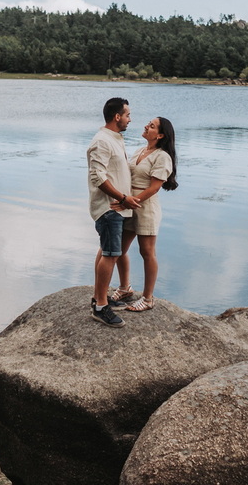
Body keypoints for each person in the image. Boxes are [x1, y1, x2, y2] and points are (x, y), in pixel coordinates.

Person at [110, 116, 178, 312]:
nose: (146, 126)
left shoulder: (162, 156)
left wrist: (128, 202)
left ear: (160, 134)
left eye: (152, 126)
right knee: (119, 250)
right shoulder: (140, 150)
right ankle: (125, 288)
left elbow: (155, 188)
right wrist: (123, 199)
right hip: (129, 203)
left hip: (145, 207)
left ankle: (148, 299)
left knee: (147, 252)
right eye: (148, 123)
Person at [87, 97, 141, 328]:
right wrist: (121, 197)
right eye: (127, 114)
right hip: (110, 207)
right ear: (117, 116)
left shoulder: (114, 139)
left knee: (106, 251)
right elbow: (97, 177)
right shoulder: (102, 141)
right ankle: (100, 307)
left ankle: (99, 297)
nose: (130, 119)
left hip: (116, 207)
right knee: (110, 254)